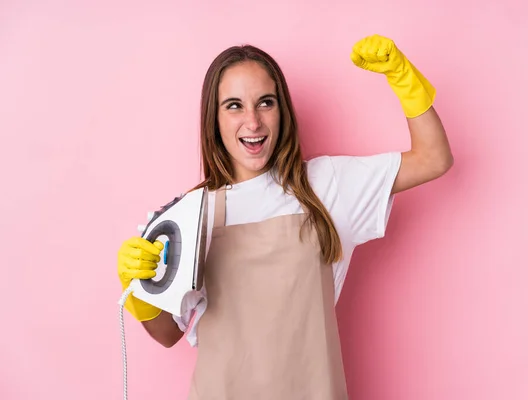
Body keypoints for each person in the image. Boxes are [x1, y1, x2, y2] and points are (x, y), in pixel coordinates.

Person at [116, 33, 453, 399]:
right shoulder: (191, 213)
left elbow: (433, 158)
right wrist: (140, 291)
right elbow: (168, 334)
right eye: (233, 106)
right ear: (213, 119)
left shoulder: (327, 186)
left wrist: (402, 77)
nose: (253, 121)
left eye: (265, 102)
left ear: (282, 110)